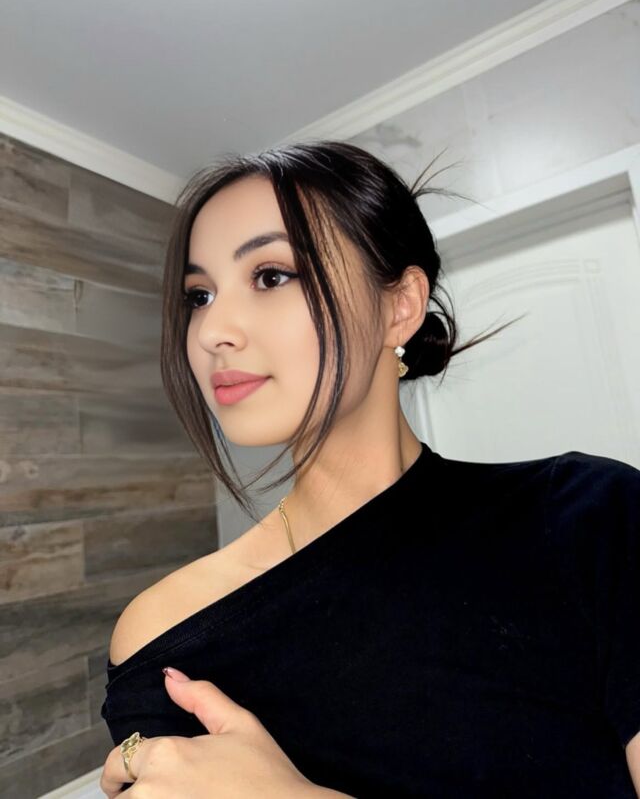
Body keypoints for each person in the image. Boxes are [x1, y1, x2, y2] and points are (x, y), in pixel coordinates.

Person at [99, 140, 640, 798]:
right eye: (199, 295)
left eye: (270, 276)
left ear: (400, 306)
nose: (213, 330)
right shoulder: (162, 632)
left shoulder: (590, 519)